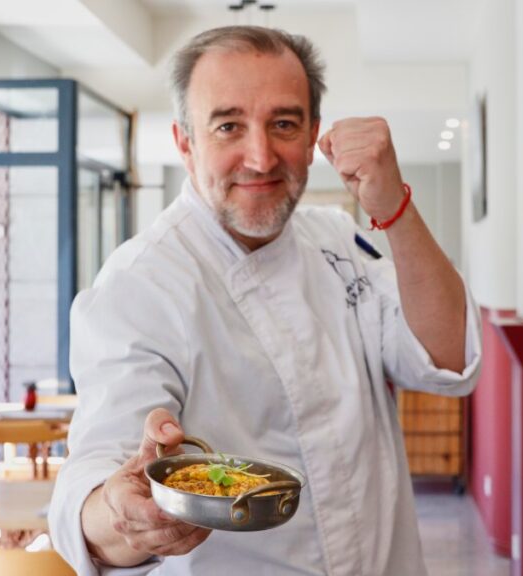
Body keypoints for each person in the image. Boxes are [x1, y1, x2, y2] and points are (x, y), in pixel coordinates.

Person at [49, 25, 482, 576]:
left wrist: (394, 207)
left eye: (283, 124)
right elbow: (96, 478)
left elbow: (447, 358)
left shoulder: (336, 238)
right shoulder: (140, 286)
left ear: (313, 135)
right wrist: (123, 514)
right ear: (185, 142)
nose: (260, 157)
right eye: (228, 126)